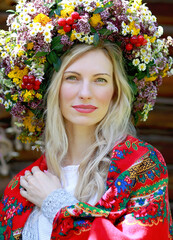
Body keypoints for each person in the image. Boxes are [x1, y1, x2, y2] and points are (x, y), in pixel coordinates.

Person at [0, 0, 173, 239]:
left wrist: (56, 203)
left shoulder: (141, 166)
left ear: (115, 92)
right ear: (53, 89)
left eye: (100, 79)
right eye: (72, 77)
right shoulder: (22, 188)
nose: (85, 92)